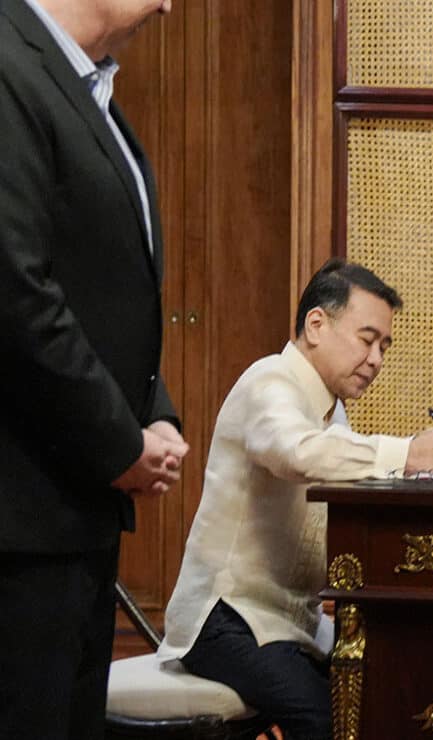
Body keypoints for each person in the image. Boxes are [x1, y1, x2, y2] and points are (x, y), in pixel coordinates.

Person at [158, 259, 433, 740]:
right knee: (330, 720)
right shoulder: (269, 382)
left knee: (382, 692)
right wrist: (409, 453)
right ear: (316, 324)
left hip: (291, 623)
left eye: (384, 347)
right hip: (228, 619)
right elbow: (297, 453)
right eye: (366, 339)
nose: (376, 360)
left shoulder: (333, 413)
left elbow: (341, 468)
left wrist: (424, 468)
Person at [0, 1, 187, 737]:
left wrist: (154, 410)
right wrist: (120, 442)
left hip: (71, 516)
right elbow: (16, 289)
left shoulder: (90, 91)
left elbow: (109, 290)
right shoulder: (10, 62)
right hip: (19, 522)